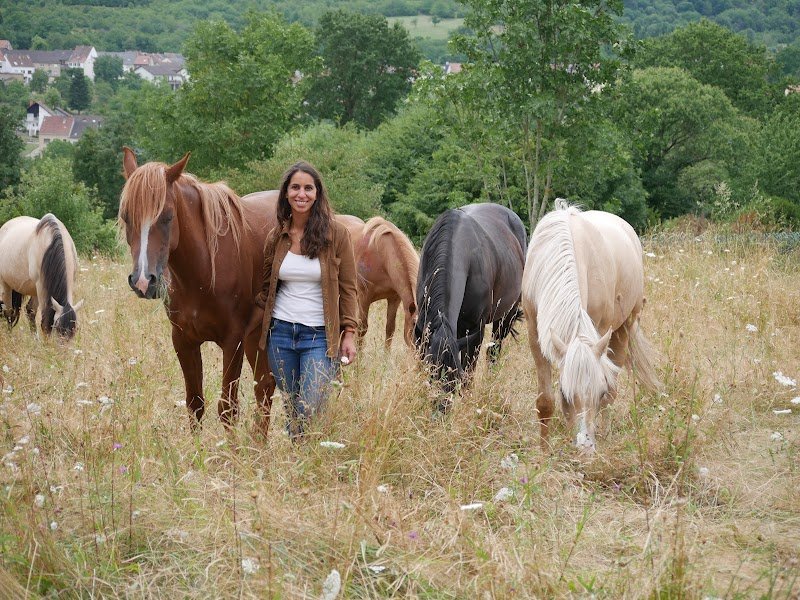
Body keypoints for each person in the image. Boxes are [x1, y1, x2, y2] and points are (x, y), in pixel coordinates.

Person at [250, 161, 358, 438]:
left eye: (308, 188)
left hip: (320, 336)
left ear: (317, 194)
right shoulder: (277, 237)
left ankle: (308, 458)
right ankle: (299, 465)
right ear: (286, 193)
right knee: (292, 404)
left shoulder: (337, 235)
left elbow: (348, 288)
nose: (302, 194)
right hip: (281, 334)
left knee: (312, 405)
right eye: (295, 187)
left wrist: (350, 332)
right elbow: (266, 288)